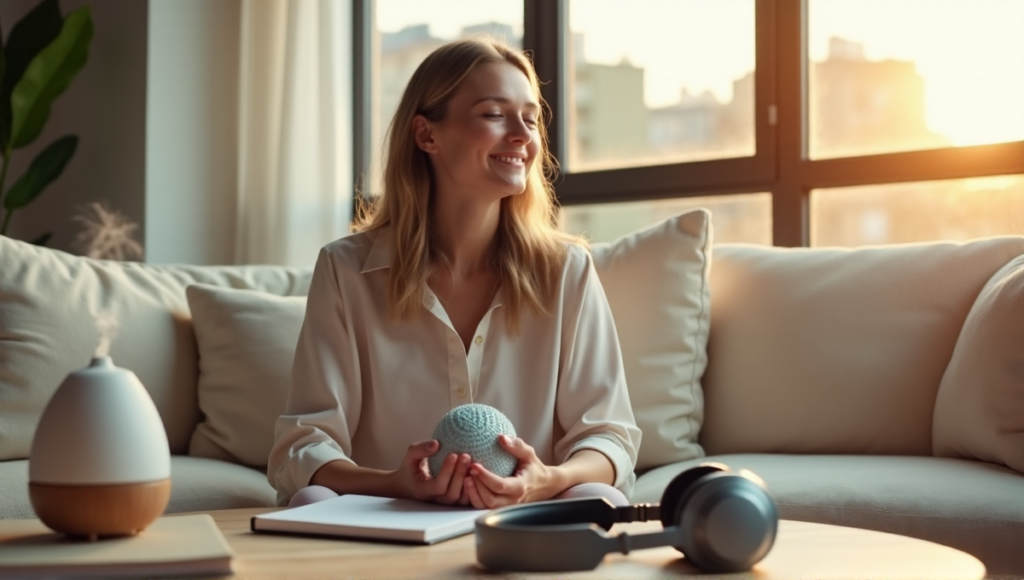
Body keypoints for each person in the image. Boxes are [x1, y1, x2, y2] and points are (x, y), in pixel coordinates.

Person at [267, 36, 640, 510]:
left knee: (599, 498)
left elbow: (608, 435)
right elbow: (304, 443)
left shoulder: (568, 270)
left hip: (524, 517)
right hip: (390, 515)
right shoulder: (345, 270)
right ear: (427, 135)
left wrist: (546, 480)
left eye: (530, 119)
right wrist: (395, 484)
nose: (523, 136)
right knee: (311, 498)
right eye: (495, 114)